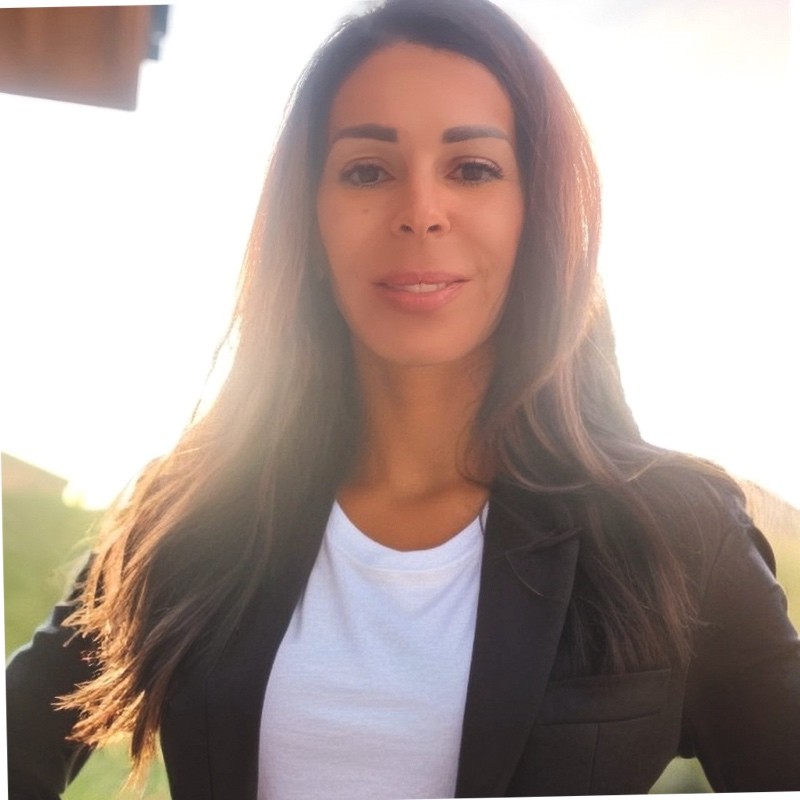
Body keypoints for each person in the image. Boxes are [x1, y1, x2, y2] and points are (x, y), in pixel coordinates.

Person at [6, 0, 800, 797]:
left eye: (473, 168)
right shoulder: (194, 510)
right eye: (367, 170)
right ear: (310, 219)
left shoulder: (676, 533)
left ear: (538, 213)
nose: (421, 212)